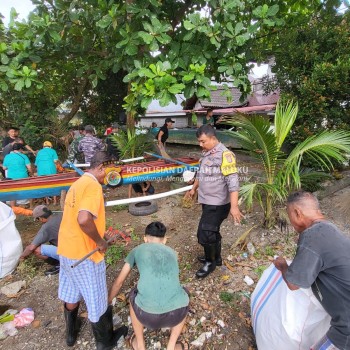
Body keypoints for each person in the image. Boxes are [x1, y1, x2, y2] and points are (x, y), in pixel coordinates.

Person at [57, 151, 128, 348]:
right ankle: (105, 342)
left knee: (71, 291)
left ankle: (71, 335)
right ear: (102, 166)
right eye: (110, 171)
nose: (110, 177)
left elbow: (77, 217)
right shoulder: (93, 186)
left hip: (66, 248)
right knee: (96, 296)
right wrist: (99, 242)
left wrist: (101, 236)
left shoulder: (78, 183)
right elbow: (84, 219)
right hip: (84, 253)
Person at [273, 191, 350, 350]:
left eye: (290, 216)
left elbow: (294, 283)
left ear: (297, 213)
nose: (292, 224)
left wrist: (282, 266)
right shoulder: (329, 228)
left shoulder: (313, 235)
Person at [108, 221, 189, 350]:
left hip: (146, 315)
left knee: (133, 294)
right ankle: (172, 346)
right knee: (184, 294)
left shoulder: (137, 250)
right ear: (164, 240)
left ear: (145, 239)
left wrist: (107, 301)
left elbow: (119, 282)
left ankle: (140, 345)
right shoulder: (173, 253)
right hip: (176, 314)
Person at [186, 125, 243, 278]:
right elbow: (200, 173)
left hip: (218, 204)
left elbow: (233, 182)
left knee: (204, 233)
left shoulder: (225, 155)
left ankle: (210, 263)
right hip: (207, 201)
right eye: (199, 141)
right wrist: (193, 189)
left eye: (202, 141)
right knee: (211, 230)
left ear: (213, 138)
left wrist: (234, 206)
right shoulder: (206, 153)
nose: (200, 145)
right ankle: (216, 258)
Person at [20, 205, 62, 276]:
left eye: (37, 219)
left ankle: (61, 265)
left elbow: (31, 247)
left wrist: (22, 257)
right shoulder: (61, 216)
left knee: (37, 250)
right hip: (81, 248)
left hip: (68, 254)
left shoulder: (46, 227)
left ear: (41, 218)